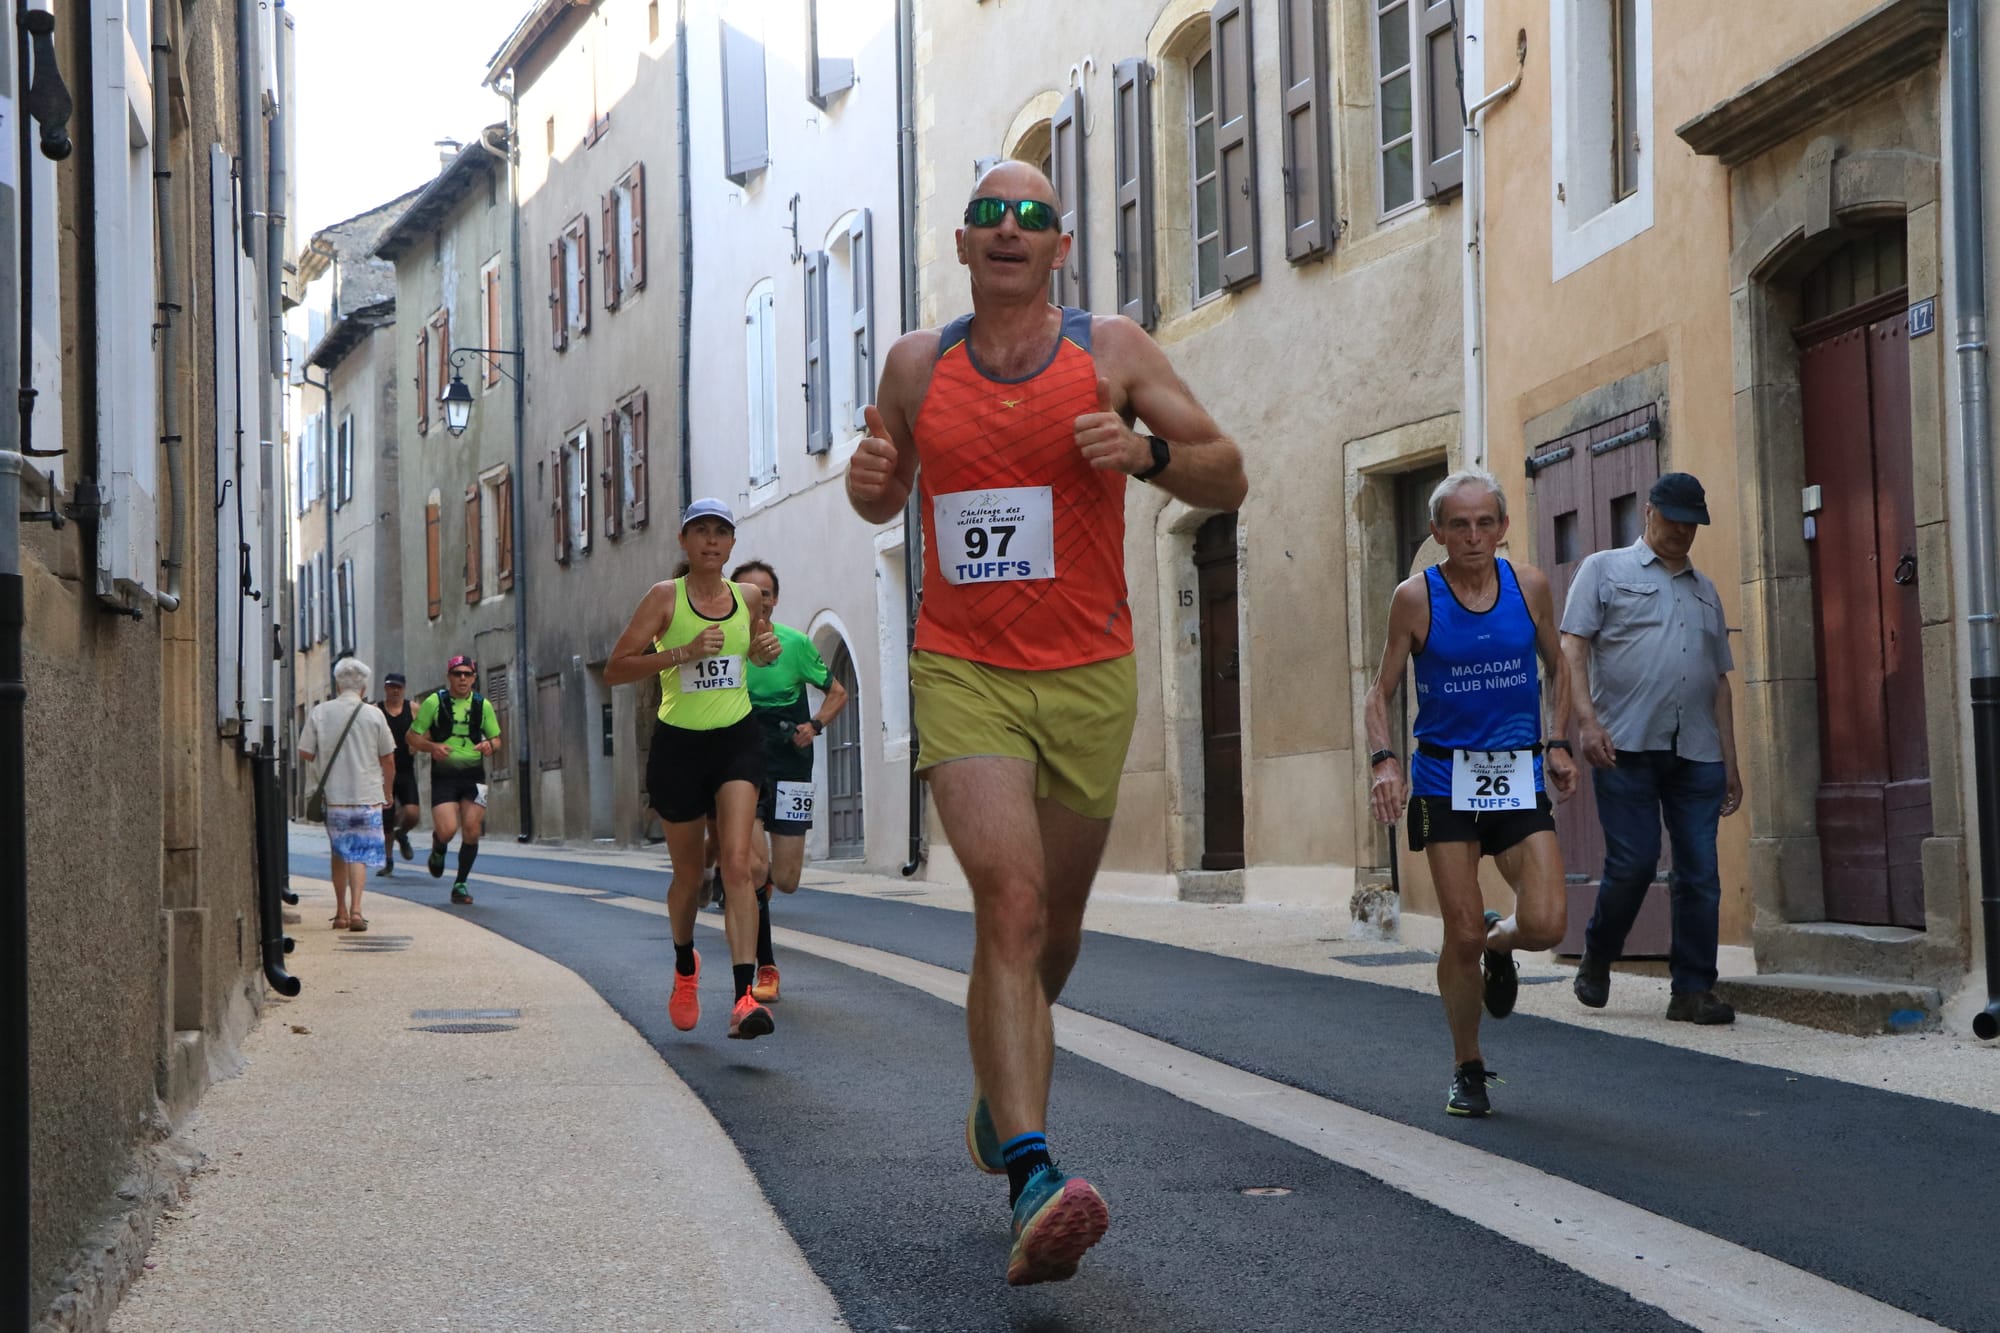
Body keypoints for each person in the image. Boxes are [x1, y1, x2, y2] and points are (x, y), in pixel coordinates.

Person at [845, 160, 1247, 1286]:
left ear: (1060, 246)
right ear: (963, 246)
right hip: (962, 667)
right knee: (1010, 904)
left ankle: (999, 1073)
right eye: (989, 215)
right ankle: (1031, 1170)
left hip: (1087, 674)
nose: (1009, 229)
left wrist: (1146, 453)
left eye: (1031, 217)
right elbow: (883, 495)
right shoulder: (915, 365)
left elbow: (1228, 473)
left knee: (1053, 931)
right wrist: (870, 478)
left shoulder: (1110, 350)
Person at [1362, 470, 1578, 1118]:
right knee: (1458, 931)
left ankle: (1499, 943)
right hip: (1443, 780)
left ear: (1503, 527)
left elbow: (1559, 665)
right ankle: (1468, 1064)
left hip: (1516, 773)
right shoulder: (1415, 598)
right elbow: (1380, 692)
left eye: (1486, 523)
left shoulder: (1529, 586)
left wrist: (1558, 740)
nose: (1474, 536)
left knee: (1547, 923)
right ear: (1438, 532)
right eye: (1459, 525)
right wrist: (1384, 761)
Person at [1560, 472, 1742, 1025]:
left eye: (1692, 524)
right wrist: (1586, 724)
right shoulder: (1603, 570)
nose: (1682, 531)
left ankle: (1692, 990)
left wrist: (1731, 764)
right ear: (1649, 511)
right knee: (1634, 863)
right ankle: (1598, 954)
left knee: (1700, 874)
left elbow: (1719, 681)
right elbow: (1572, 650)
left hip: (1698, 752)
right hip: (1625, 746)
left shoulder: (1705, 590)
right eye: (1673, 519)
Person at [606, 499, 783, 1040]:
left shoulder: (748, 596)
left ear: (732, 544)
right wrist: (681, 652)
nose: (711, 541)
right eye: (700, 531)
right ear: (684, 541)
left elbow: (754, 651)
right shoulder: (665, 597)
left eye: (720, 532)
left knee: (738, 865)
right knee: (688, 878)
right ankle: (686, 966)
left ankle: (744, 998)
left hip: (736, 741)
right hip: (679, 747)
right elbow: (616, 669)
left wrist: (765, 651)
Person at [732, 559, 850, 1004]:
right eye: (747, 592)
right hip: (742, 760)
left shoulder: (796, 644)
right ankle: (766, 964)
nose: (757, 599)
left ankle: (754, 886)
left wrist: (815, 726)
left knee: (785, 878)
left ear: (775, 600)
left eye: (764, 593)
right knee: (753, 868)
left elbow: (837, 692)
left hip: (791, 765)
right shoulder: (726, 646)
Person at [298, 657, 397, 932]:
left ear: (337, 685)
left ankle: (340, 912)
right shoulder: (374, 715)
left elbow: (305, 752)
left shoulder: (320, 712)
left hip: (334, 795)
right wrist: (387, 791)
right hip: (367, 795)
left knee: (339, 851)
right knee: (359, 853)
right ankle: (356, 910)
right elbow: (388, 758)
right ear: (363, 687)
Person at [410, 655, 501, 905]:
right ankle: (438, 847)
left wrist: (490, 745)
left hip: (474, 776)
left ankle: (460, 884)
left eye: (467, 674)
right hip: (444, 776)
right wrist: (432, 747)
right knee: (448, 829)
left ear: (474, 678)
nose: (462, 678)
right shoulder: (434, 702)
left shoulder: (483, 705)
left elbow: (497, 739)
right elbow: (412, 737)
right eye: (457, 674)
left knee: (472, 830)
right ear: (449, 677)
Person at [376, 672, 420, 875]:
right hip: (383, 772)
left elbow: (427, 730)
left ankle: (402, 834)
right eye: (391, 686)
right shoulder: (376, 710)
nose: (395, 690)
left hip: (405, 770)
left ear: (404, 688)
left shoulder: (413, 709)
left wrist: (417, 744)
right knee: (386, 820)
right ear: (385, 688)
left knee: (412, 814)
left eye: (398, 687)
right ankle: (388, 861)